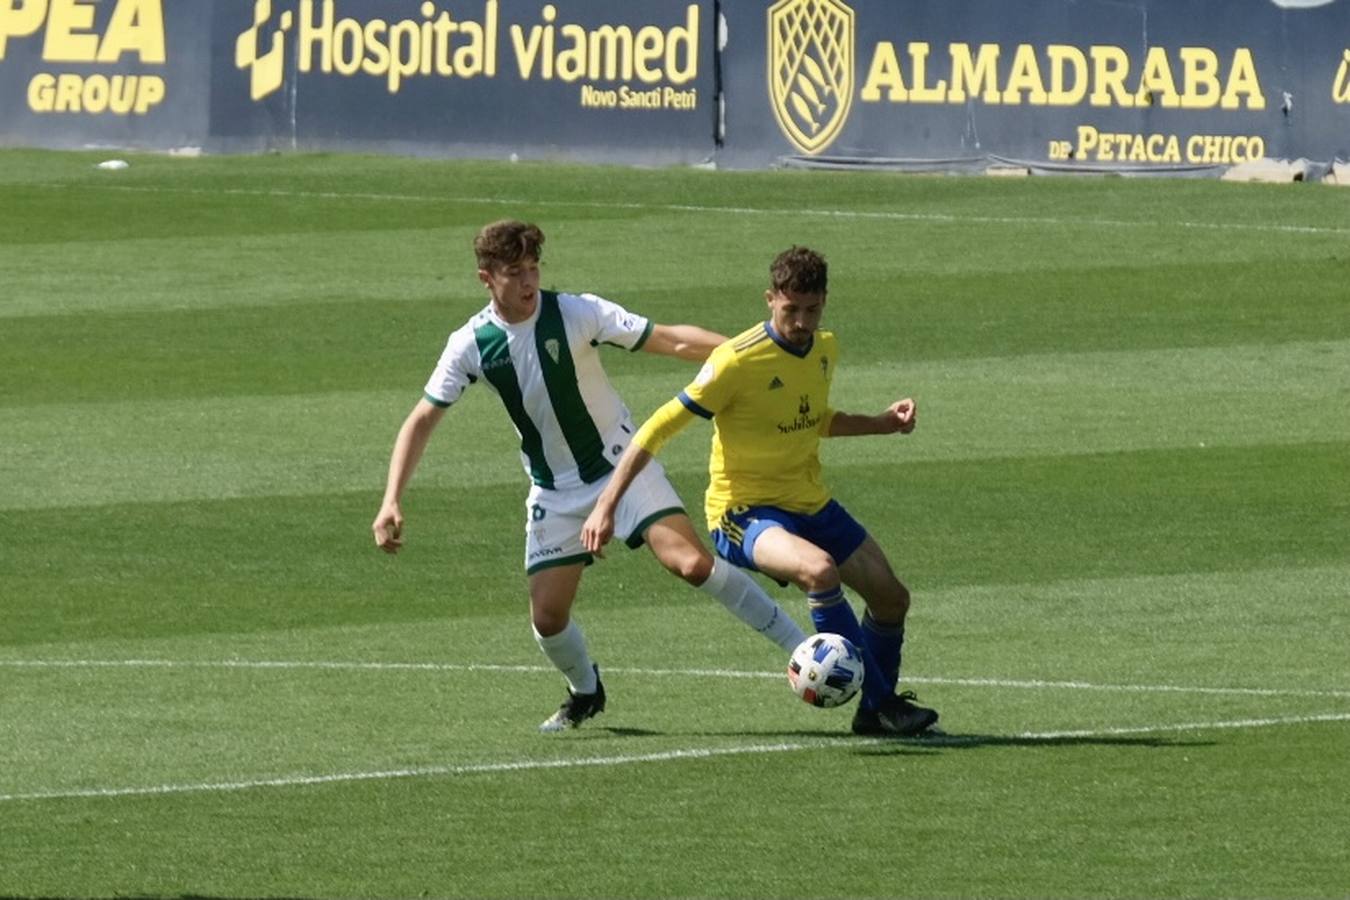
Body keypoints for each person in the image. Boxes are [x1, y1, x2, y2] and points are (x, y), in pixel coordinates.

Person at [372, 220, 806, 733]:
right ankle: (586, 690)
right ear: (486, 278)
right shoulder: (471, 343)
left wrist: (750, 352)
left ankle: (803, 649)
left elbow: (669, 340)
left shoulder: (578, 313)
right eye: (515, 272)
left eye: (534, 268)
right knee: (548, 619)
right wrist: (391, 500)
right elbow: (422, 417)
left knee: (690, 564)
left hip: (623, 467)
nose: (529, 281)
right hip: (554, 493)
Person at [582, 245, 939, 737]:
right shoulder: (736, 361)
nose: (801, 321)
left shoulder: (824, 349)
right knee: (818, 570)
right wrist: (607, 505)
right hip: (742, 512)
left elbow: (816, 420)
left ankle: (872, 715)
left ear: (825, 303)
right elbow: (657, 428)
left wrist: (882, 424)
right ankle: (882, 701)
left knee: (892, 599)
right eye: (790, 309)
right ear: (770, 299)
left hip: (809, 501)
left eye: (812, 310)